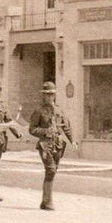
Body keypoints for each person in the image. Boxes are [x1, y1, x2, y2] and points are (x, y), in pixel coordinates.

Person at [28, 81, 76, 211]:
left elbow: (66, 127)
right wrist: (44, 131)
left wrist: (73, 141)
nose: (50, 97)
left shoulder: (59, 110)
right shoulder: (38, 111)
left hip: (58, 144)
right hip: (45, 144)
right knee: (50, 170)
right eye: (47, 95)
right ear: (43, 96)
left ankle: (45, 201)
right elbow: (32, 129)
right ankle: (48, 201)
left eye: (52, 94)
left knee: (52, 171)